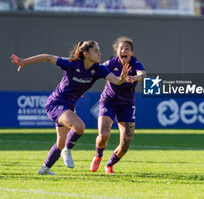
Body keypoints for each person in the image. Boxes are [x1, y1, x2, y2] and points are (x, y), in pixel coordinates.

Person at [11, 40, 130, 175]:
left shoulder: (98, 68)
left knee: (60, 143)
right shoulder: (72, 63)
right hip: (55, 104)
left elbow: (116, 80)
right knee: (79, 127)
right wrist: (24, 61)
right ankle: (67, 150)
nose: (100, 53)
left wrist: (121, 78)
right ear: (85, 53)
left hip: (68, 107)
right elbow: (48, 57)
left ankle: (44, 168)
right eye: (96, 51)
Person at [90, 37, 146, 174]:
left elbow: (143, 74)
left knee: (125, 144)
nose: (123, 50)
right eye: (121, 48)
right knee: (103, 136)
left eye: (127, 48)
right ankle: (98, 155)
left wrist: (134, 77)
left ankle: (109, 164)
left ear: (132, 52)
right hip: (108, 101)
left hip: (126, 105)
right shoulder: (111, 63)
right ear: (117, 51)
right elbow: (95, 72)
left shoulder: (135, 63)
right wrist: (80, 89)